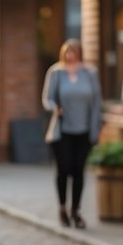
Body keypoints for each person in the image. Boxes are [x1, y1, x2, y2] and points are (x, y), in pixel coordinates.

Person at [42, 38, 102, 229]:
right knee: (64, 168)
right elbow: (47, 98)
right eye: (67, 52)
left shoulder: (90, 73)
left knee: (78, 170)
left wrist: (95, 129)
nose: (70, 55)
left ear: (79, 53)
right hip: (63, 130)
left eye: (73, 51)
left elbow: (97, 103)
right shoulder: (56, 72)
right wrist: (55, 108)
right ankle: (62, 208)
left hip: (83, 130)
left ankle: (75, 211)